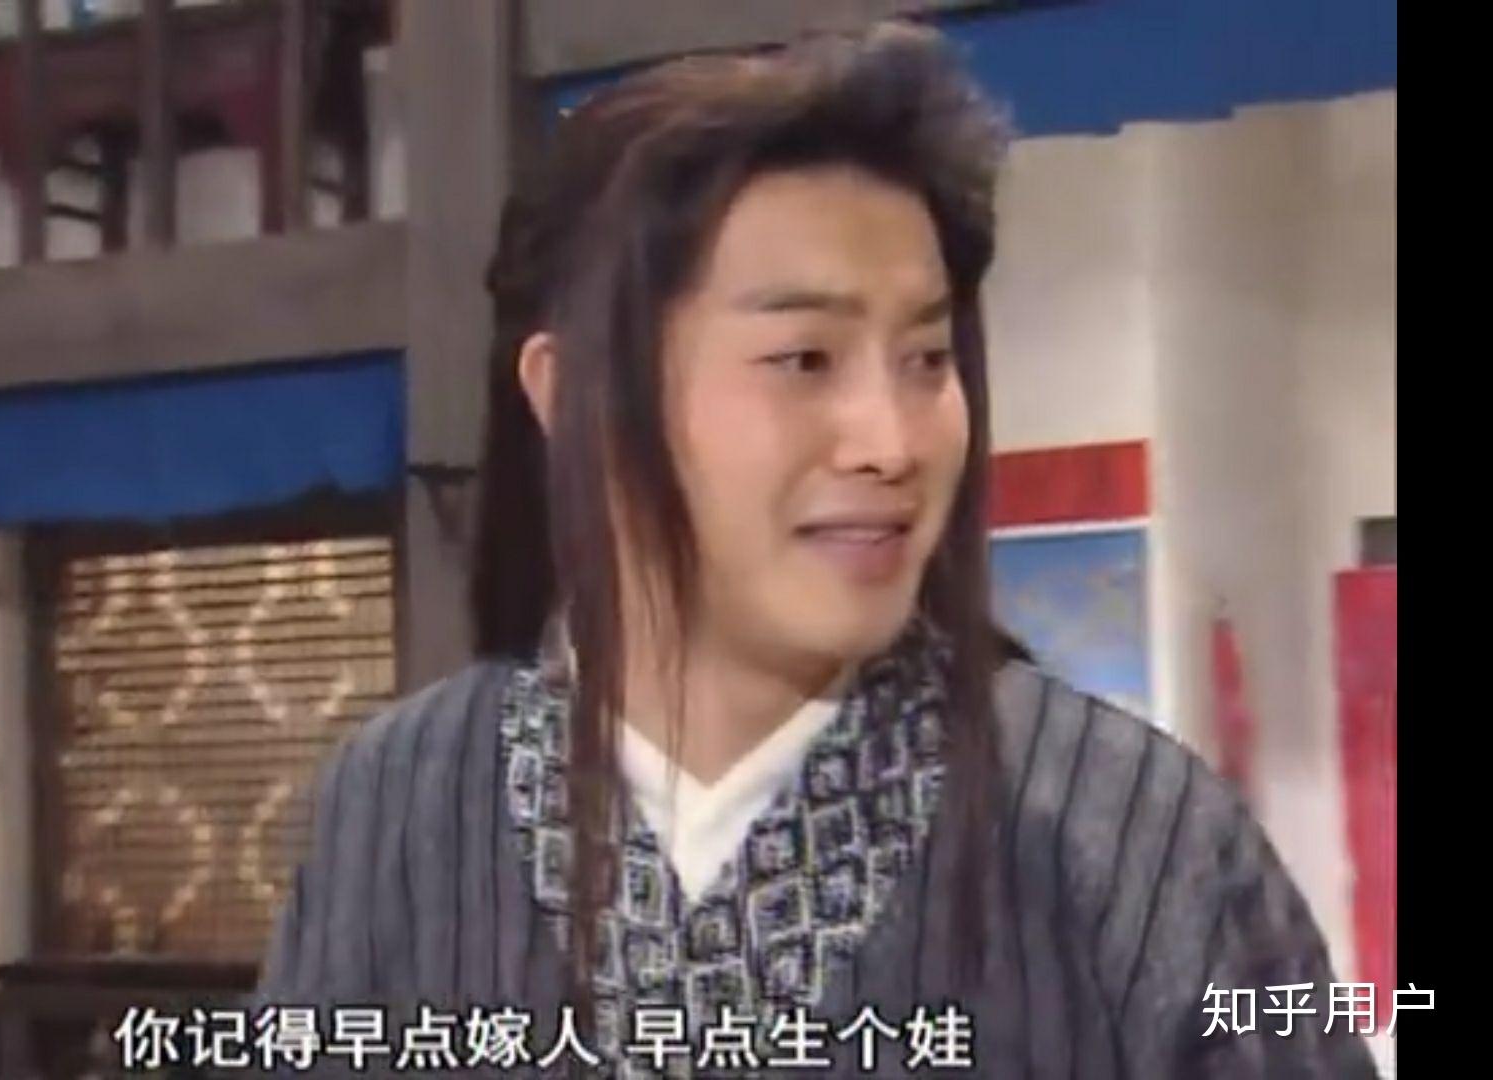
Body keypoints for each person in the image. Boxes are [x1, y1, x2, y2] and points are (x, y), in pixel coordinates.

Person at [256, 23, 1374, 1079]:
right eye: (804, 359)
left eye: (927, 360)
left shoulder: (1133, 833)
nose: (892, 442)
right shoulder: (400, 802)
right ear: (578, 397)